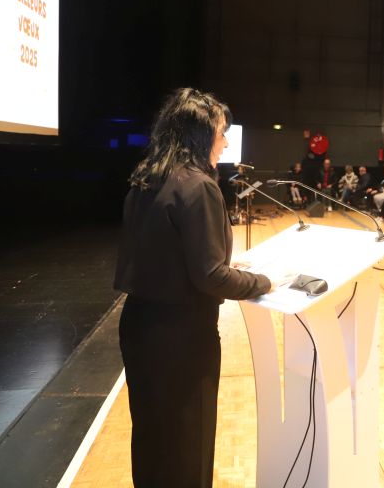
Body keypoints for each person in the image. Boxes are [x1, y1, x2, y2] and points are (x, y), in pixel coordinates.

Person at [115, 88, 278, 487]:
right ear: (199, 134)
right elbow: (210, 277)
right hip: (183, 337)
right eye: (221, 133)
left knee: (153, 440)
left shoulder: (147, 177)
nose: (224, 143)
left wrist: (218, 261)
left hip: (139, 328)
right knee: (189, 443)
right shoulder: (200, 186)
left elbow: (165, 252)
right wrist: (265, 281)